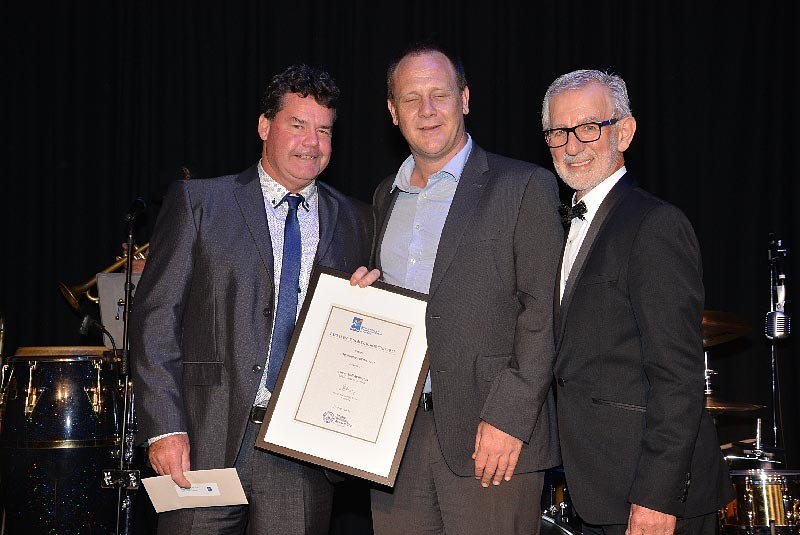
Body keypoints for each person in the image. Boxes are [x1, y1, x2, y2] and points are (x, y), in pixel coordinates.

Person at [129, 64, 371, 534]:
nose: (312, 142)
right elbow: (156, 318)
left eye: (324, 130)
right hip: (202, 441)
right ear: (264, 126)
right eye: (297, 124)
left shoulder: (357, 220)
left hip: (300, 452)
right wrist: (164, 427)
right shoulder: (200, 203)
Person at [350, 42, 563, 534]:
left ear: (464, 99)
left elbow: (543, 313)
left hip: (491, 438)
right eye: (411, 98)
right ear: (392, 112)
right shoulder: (384, 197)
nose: (427, 110)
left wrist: (510, 418)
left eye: (440, 95)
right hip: (394, 442)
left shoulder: (522, 186)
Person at [542, 69, 733, 535]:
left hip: (650, 498)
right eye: (558, 132)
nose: (572, 145)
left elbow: (678, 376)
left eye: (589, 127)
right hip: (597, 488)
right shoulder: (558, 228)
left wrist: (656, 496)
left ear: (624, 132)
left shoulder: (655, 226)